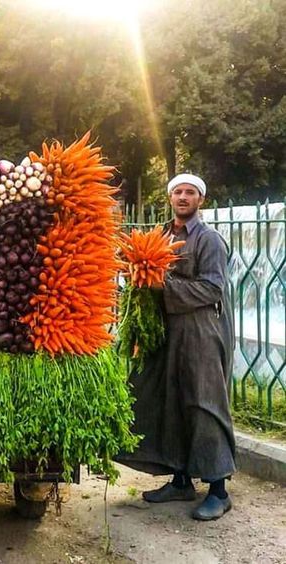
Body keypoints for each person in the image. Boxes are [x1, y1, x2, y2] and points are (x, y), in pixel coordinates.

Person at [117, 173, 235, 521]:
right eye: (178, 192)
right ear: (170, 198)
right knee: (169, 399)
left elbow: (212, 288)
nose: (183, 198)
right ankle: (181, 479)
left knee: (203, 403)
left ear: (200, 200)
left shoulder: (209, 240)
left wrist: (163, 286)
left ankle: (218, 490)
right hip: (166, 331)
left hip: (200, 331)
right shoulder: (162, 235)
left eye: (190, 193)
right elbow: (145, 277)